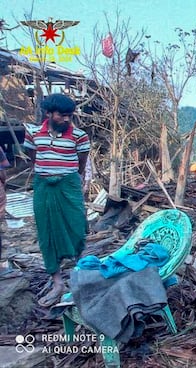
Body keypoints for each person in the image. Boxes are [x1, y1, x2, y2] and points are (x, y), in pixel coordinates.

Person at [23, 93, 90, 307]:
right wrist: (47, 172)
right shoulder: (33, 133)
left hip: (69, 184)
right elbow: (33, 157)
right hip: (43, 185)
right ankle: (58, 283)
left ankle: (81, 278)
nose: (67, 119)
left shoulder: (79, 136)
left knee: (78, 228)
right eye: (62, 115)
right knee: (47, 232)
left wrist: (69, 177)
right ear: (49, 113)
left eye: (70, 116)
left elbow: (81, 162)